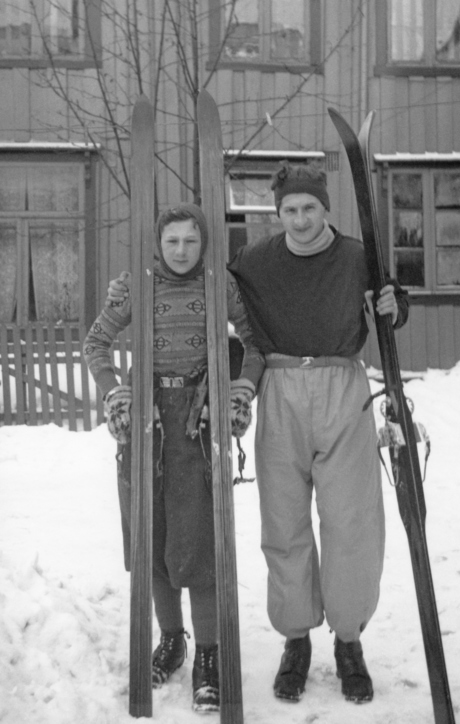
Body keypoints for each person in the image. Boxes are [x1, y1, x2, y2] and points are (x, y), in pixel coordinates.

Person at [227, 161, 409, 705]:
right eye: (290, 210)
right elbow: (217, 297)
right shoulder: (255, 261)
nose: (300, 219)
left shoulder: (358, 256)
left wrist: (395, 304)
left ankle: (349, 640)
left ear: (325, 208)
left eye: (309, 208)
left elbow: (391, 307)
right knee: (283, 523)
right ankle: (297, 639)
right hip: (280, 388)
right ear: (277, 212)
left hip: (342, 388)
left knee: (352, 521)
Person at [83, 202, 264, 714]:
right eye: (171, 242)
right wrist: (115, 391)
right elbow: (97, 342)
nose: (181, 251)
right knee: (152, 535)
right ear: (158, 245)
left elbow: (255, 342)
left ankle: (208, 654)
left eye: (190, 241)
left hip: (197, 420)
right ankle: (172, 639)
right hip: (148, 419)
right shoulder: (136, 287)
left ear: (204, 244)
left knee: (199, 539)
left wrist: (240, 389)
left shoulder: (217, 287)